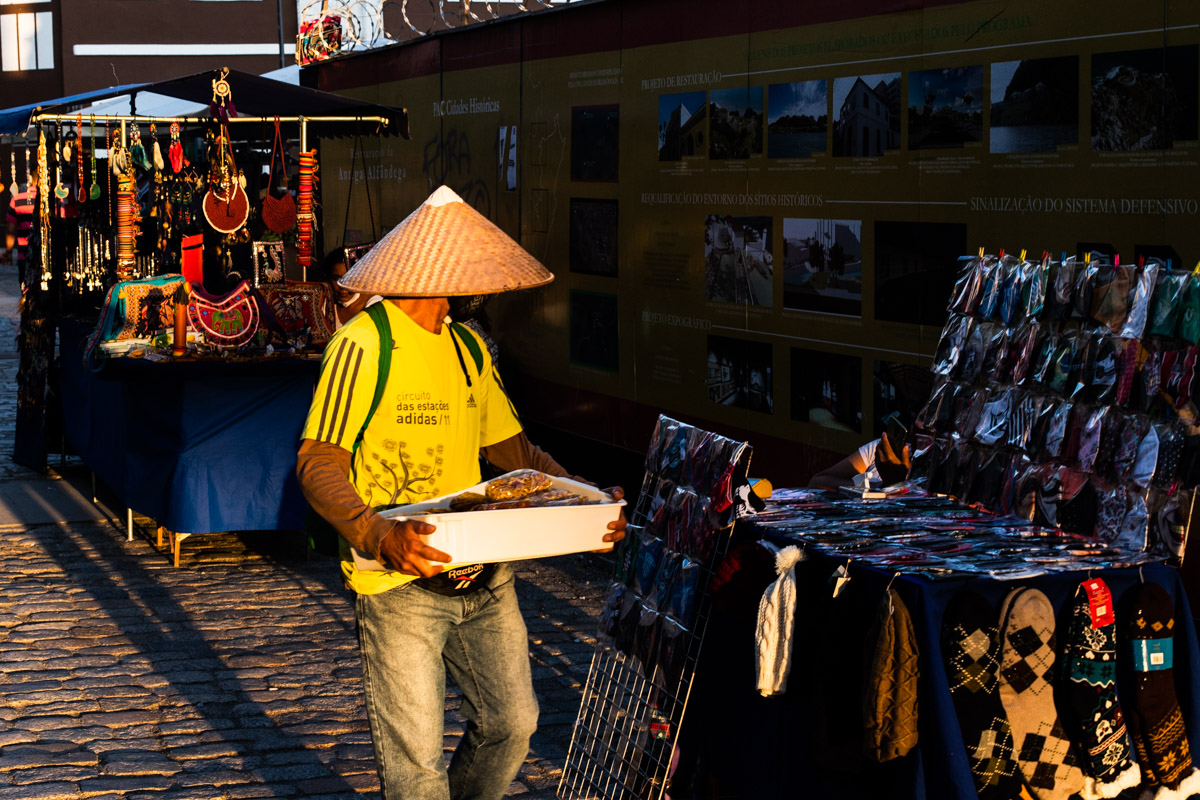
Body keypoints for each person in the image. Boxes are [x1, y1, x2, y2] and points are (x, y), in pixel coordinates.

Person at [296, 185, 626, 800]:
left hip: (485, 579)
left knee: (513, 724)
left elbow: (521, 459)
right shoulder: (365, 345)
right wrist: (377, 533)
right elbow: (317, 463)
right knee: (417, 775)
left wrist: (586, 501)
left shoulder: (470, 347)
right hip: (399, 587)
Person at [808, 431, 911, 490]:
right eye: (921, 418)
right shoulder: (881, 448)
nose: (924, 426)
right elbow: (817, 482)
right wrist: (863, 487)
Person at [321, 248, 374, 328]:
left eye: (350, 279)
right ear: (329, 279)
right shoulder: (324, 306)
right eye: (336, 278)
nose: (343, 286)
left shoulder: (372, 305)